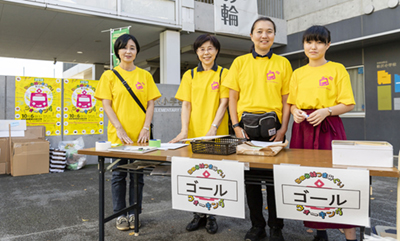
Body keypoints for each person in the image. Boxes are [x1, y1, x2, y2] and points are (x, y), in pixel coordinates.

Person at [223, 17, 292, 241]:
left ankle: (276, 226)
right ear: (251, 36)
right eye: (259, 31)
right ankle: (257, 226)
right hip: (246, 130)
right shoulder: (240, 62)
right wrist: (235, 127)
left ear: (274, 36)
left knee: (274, 181)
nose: (264, 36)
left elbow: (286, 101)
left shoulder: (283, 63)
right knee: (251, 181)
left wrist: (283, 130)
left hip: (274, 130)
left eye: (269, 31)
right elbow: (232, 98)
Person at [288, 25, 356, 241]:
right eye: (309, 42)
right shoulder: (297, 73)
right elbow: (291, 104)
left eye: (318, 42)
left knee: (335, 176)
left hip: (329, 127)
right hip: (303, 129)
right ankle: (319, 230)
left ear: (328, 45)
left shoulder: (337, 69)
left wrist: (326, 111)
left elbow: (348, 104)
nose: (313, 46)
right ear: (304, 45)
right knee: (308, 177)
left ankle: (349, 231)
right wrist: (295, 113)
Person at [94, 34, 161, 231]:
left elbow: (150, 103)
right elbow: (106, 104)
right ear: (117, 52)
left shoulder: (145, 75)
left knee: (138, 176)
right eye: (124, 48)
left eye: (132, 48)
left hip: (141, 137)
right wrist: (119, 127)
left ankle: (134, 213)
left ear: (137, 51)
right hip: (118, 137)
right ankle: (120, 215)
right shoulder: (109, 76)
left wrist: (146, 128)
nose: (128, 51)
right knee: (118, 175)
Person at [170, 34, 229, 234]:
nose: (206, 52)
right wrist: (184, 130)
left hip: (216, 133)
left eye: (210, 48)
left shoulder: (223, 73)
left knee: (212, 174)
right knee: (195, 174)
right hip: (194, 134)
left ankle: (212, 215)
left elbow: (224, 102)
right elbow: (186, 104)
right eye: (202, 49)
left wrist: (213, 127)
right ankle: (197, 214)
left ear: (217, 51)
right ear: (196, 52)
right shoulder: (190, 75)